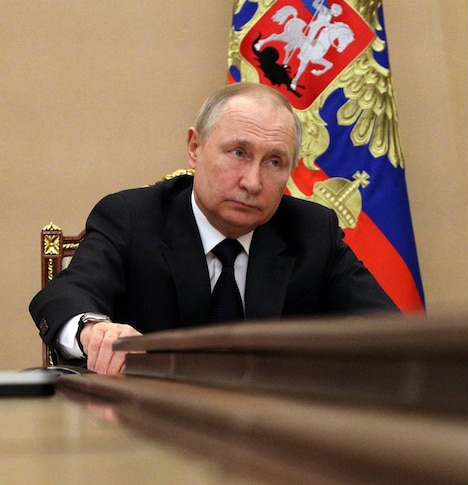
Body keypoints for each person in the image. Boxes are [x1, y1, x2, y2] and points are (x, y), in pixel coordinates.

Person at [30, 83, 399, 375]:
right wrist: (94, 330)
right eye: (238, 153)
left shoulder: (312, 231)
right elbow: (66, 293)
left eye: (274, 162)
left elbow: (385, 330)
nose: (252, 182)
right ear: (195, 148)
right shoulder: (132, 217)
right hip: (146, 432)